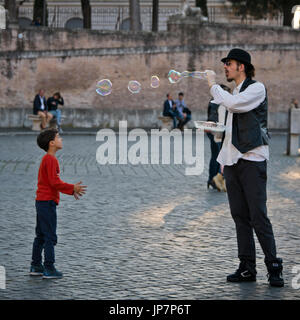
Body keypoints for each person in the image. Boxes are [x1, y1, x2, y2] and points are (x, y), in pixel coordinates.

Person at [205, 48, 284, 287]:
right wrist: (221, 159)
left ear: (242, 66)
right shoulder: (235, 91)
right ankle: (247, 267)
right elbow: (231, 129)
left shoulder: (256, 88)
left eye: (228, 63)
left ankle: (274, 266)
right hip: (232, 163)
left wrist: (212, 86)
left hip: (252, 160)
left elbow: (235, 105)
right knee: (240, 217)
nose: (225, 67)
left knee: (258, 217)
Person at [29, 128, 87, 279]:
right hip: (47, 202)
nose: (61, 139)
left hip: (41, 201)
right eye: (59, 137)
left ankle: (35, 265)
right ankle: (49, 268)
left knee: (40, 235)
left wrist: (70, 190)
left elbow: (51, 182)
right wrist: (72, 188)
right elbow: (55, 182)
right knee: (50, 236)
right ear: (52, 143)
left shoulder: (46, 159)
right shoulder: (51, 159)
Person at [206, 85, 230, 191]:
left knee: (216, 156)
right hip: (216, 133)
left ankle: (213, 179)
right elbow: (212, 117)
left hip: (218, 132)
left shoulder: (218, 101)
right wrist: (217, 130)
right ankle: (213, 179)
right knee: (217, 157)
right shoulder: (216, 101)